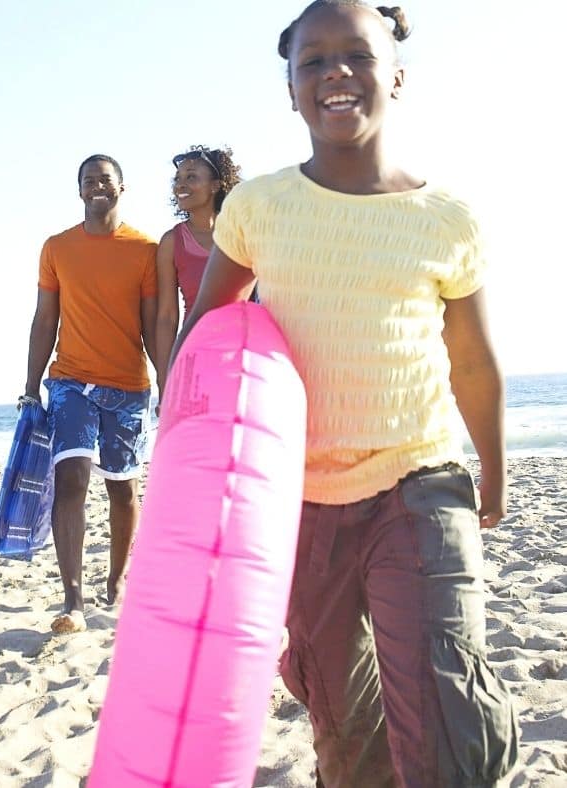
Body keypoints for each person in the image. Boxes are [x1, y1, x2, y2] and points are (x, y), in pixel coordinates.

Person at [171, 3, 519, 786]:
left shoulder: (447, 218)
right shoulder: (258, 207)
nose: (335, 73)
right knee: (342, 720)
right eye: (313, 61)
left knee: (443, 705)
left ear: (396, 75)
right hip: (297, 500)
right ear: (291, 89)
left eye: (357, 56)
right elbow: (207, 336)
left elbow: (471, 358)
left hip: (420, 483)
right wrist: (194, 471)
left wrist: (491, 472)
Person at [23, 154, 158, 635]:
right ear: (79, 191)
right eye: (88, 180)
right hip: (70, 381)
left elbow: (152, 326)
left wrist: (168, 380)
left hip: (127, 385)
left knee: (122, 487)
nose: (97, 186)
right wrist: (29, 386)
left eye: (105, 179)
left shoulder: (146, 250)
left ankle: (117, 580)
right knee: (72, 478)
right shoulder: (57, 247)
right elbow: (45, 319)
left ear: (123, 187)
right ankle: (72, 599)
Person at [155, 145, 242, 403]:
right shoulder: (172, 242)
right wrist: (165, 383)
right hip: (195, 357)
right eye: (178, 179)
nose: (181, 184)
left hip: (243, 357)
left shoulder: (242, 232)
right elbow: (166, 317)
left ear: (215, 185)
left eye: (191, 177)